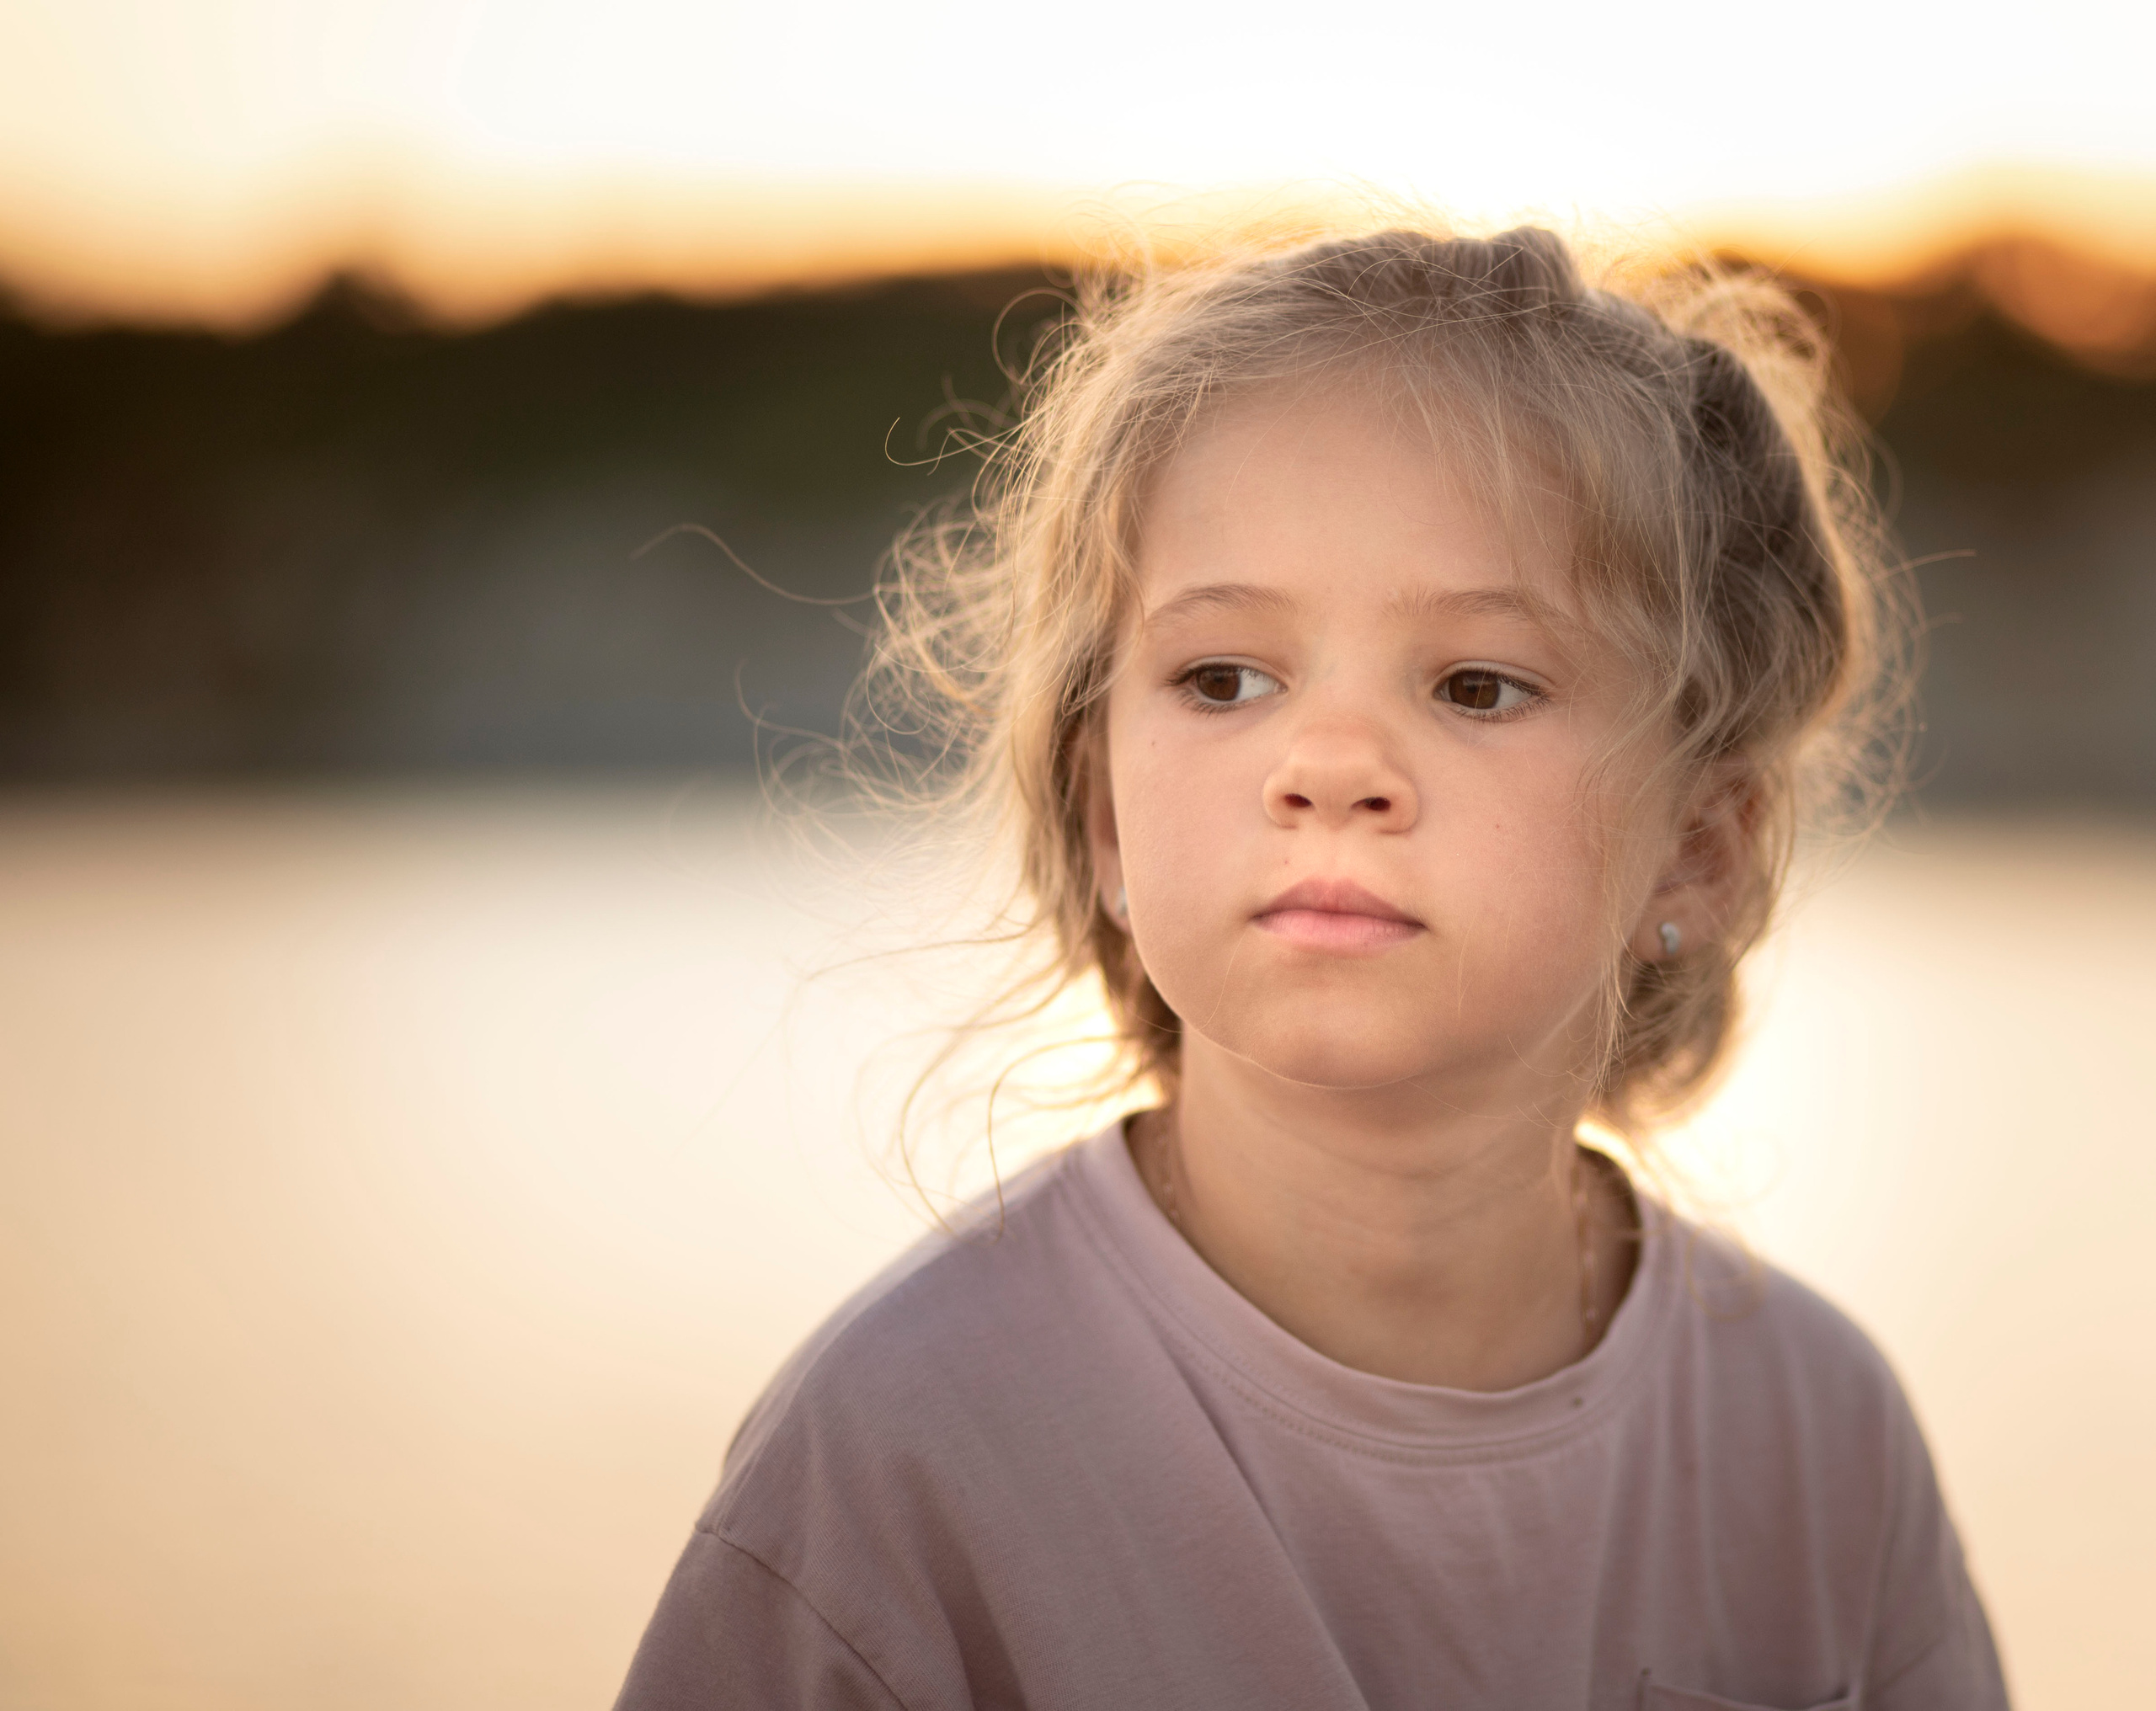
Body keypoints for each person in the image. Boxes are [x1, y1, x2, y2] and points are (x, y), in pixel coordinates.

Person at [614, 223, 2009, 1709]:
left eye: (1478, 684)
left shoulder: (1816, 1442)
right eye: (1224, 679)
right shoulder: (901, 1454)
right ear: (1103, 815)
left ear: (1699, 852)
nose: (1329, 764)